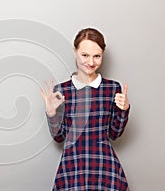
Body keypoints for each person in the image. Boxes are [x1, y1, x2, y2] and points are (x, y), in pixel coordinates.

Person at [39, 28, 130, 190]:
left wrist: (124, 109)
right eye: (85, 55)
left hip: (104, 164)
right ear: (75, 52)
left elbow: (114, 134)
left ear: (102, 55)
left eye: (97, 56)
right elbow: (59, 137)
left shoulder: (112, 88)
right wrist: (52, 113)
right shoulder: (62, 91)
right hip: (73, 164)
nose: (91, 62)